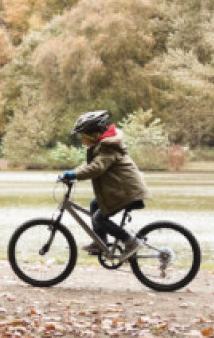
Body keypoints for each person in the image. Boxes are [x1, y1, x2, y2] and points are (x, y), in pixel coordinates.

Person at [59, 110, 150, 259]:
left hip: (127, 192)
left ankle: (130, 241)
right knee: (95, 204)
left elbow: (97, 168)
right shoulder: (102, 147)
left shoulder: (108, 148)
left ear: (93, 135)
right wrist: (72, 172)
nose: (82, 140)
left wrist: (74, 175)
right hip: (121, 190)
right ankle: (100, 242)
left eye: (83, 136)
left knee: (98, 218)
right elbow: (90, 164)